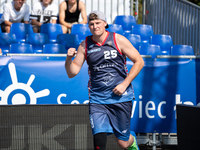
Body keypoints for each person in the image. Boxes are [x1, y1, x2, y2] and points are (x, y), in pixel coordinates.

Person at [65, 10, 144, 150]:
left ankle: (132, 141)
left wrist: (124, 84)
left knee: (123, 143)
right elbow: (73, 72)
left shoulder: (118, 39)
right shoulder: (85, 45)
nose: (95, 27)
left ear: (105, 23)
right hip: (97, 99)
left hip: (120, 97)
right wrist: (68, 59)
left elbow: (139, 62)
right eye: (91, 24)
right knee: (99, 140)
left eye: (98, 23)